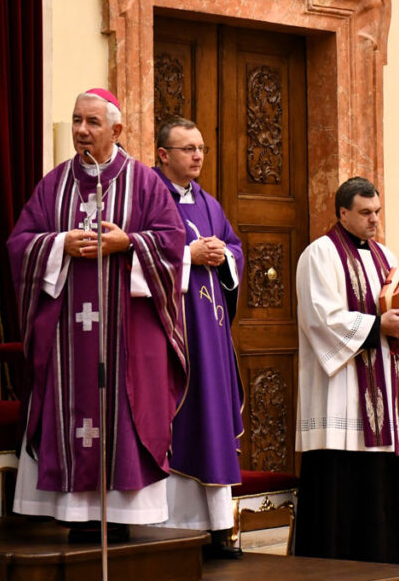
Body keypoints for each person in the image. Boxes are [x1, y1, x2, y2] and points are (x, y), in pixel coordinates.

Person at [8, 89, 188, 540]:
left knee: (124, 413)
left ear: (116, 129)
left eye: (92, 122)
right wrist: (58, 244)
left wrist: (129, 243)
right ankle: (75, 516)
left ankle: (124, 517)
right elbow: (20, 243)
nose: (82, 130)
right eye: (76, 120)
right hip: (68, 336)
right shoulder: (54, 184)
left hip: (128, 333)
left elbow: (172, 242)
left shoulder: (145, 182)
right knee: (74, 411)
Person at [294, 177, 399, 566]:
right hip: (342, 392)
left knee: (382, 486)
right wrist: (378, 325)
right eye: (365, 213)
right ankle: (333, 568)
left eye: (377, 212)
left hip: (383, 386)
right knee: (341, 487)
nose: (374, 220)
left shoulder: (387, 257)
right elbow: (321, 318)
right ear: (343, 213)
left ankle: (389, 564)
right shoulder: (319, 255)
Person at [152, 117, 245, 558]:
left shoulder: (209, 203)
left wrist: (224, 255)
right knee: (180, 420)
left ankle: (217, 527)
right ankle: (172, 530)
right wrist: (188, 256)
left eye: (201, 148)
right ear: (163, 155)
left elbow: (234, 246)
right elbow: (140, 252)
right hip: (172, 333)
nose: (198, 156)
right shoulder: (149, 197)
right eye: (188, 149)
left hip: (210, 333)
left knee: (213, 419)